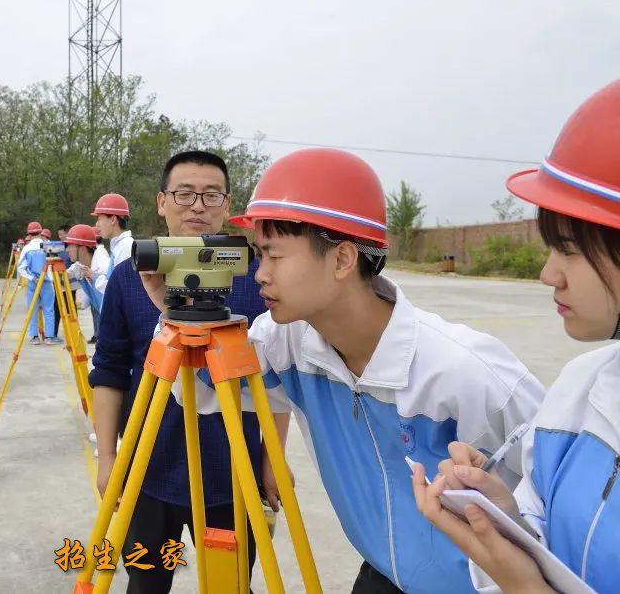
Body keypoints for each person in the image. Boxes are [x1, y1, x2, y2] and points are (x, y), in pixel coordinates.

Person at [160, 148, 545, 593]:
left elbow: (565, 500)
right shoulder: (288, 342)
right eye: (258, 256)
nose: (260, 275)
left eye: (274, 256)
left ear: (342, 259)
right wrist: (173, 308)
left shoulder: (466, 373)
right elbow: (202, 388)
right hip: (380, 574)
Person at [414, 80, 620, 594]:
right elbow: (553, 537)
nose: (549, 273)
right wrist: (506, 519)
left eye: (570, 249)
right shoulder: (581, 388)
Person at [90, 151, 266, 592]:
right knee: (145, 585)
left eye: (211, 195)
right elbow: (109, 371)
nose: (198, 206)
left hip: (232, 473)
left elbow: (272, 376)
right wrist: (108, 457)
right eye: (184, 193)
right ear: (161, 202)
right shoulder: (133, 275)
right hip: (147, 471)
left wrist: (269, 457)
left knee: (229, 586)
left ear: (228, 205)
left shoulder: (257, 276)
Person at [16, 221, 62, 345]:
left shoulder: (26, 248)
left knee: (33, 309)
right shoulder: (47, 245)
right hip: (47, 282)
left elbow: (20, 268)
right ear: (40, 232)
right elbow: (55, 264)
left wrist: (31, 277)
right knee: (49, 309)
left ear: (29, 234)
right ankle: (49, 337)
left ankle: (34, 337)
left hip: (33, 283)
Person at [92, 192, 134, 281]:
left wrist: (95, 278)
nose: (97, 225)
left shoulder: (125, 247)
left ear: (113, 220)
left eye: (99, 219)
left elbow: (121, 289)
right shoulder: (119, 246)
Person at [54, 222, 78, 340]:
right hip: (58, 281)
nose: (60, 237)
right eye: (59, 235)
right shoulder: (58, 247)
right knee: (57, 307)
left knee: (71, 307)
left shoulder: (72, 247)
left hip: (70, 283)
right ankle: (53, 333)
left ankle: (73, 331)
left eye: (62, 234)